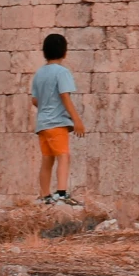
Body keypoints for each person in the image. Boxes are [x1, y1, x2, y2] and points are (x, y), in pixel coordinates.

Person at [31, 33, 86, 205]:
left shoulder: (39, 74)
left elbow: (34, 100)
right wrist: (77, 120)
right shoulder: (62, 73)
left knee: (47, 159)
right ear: (65, 52)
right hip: (57, 123)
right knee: (64, 156)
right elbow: (65, 96)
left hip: (42, 124)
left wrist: (46, 107)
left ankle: (44, 195)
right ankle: (61, 193)